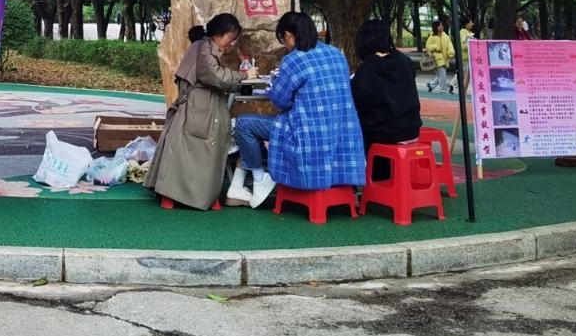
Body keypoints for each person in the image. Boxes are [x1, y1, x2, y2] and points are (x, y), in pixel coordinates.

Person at [229, 12, 365, 208]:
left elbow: (279, 101)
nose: (285, 46)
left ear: (288, 35)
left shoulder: (294, 60)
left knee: (244, 124)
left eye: (283, 40)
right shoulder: (336, 54)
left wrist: (274, 85)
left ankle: (259, 178)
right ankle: (240, 187)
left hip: (307, 135)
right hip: (341, 134)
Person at [143, 13, 244, 211]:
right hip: (197, 107)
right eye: (230, 38)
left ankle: (206, 196)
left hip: (204, 108)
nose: (231, 44)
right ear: (217, 34)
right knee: (185, 153)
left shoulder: (205, 48)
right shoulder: (203, 48)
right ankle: (170, 194)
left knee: (202, 154)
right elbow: (216, 76)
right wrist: (242, 75)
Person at [350, 19, 422, 152]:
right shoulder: (406, 61)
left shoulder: (367, 70)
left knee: (354, 126)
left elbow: (357, 102)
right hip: (413, 129)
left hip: (384, 133)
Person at [425, 20, 455, 93]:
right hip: (436, 59)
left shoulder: (446, 36)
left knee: (440, 75)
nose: (441, 27)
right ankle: (443, 90)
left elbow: (450, 45)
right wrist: (436, 47)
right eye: (439, 25)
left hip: (445, 58)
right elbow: (428, 47)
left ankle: (431, 85)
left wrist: (451, 53)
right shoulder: (432, 36)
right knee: (442, 75)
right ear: (435, 27)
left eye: (442, 25)